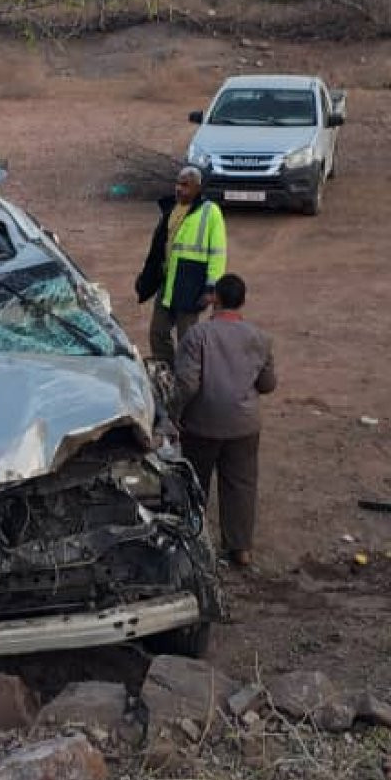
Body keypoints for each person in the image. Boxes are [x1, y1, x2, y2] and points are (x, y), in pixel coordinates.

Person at [172, 273, 276, 568]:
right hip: (244, 426)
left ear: (214, 298)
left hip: (202, 424)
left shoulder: (197, 335)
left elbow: (187, 385)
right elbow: (268, 385)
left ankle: (194, 545)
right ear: (243, 301)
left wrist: (173, 413)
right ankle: (240, 549)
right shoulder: (260, 338)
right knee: (241, 485)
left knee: (195, 484)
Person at [135, 165, 227, 368]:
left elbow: (218, 254)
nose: (179, 189)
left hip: (192, 285)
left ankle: (188, 378)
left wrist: (211, 288)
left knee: (187, 338)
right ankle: (166, 371)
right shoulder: (170, 210)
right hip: (168, 283)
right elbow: (158, 250)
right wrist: (146, 278)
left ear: (197, 188)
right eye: (177, 184)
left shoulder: (210, 212)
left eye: (185, 185)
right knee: (158, 332)